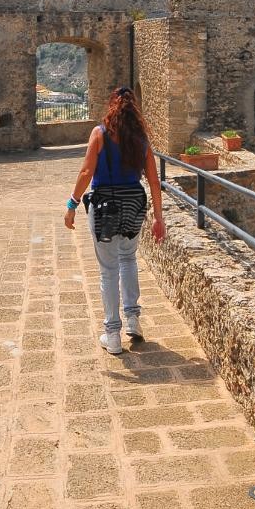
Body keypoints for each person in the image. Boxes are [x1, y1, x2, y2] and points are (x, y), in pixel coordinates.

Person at [64, 86, 165, 355]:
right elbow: (154, 181)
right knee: (128, 259)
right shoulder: (141, 138)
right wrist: (158, 218)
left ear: (111, 106)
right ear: (135, 110)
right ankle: (133, 319)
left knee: (108, 270)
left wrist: (72, 204)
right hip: (134, 201)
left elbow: (86, 171)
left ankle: (113, 334)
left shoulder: (100, 133)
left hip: (105, 204)